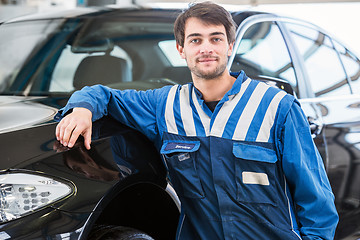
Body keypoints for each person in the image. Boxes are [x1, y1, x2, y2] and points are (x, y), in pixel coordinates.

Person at [55, 1, 339, 239]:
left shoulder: (276, 108)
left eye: (216, 38)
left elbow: (316, 201)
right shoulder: (164, 105)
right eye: (195, 40)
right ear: (181, 50)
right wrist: (82, 109)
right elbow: (103, 95)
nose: (206, 48)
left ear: (230, 46)